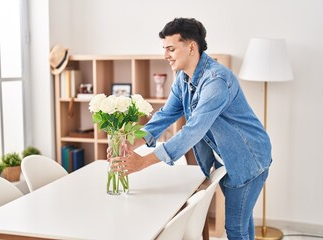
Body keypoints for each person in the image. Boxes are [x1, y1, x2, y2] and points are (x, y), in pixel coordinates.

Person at [109, 17, 271, 240]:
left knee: (236, 228)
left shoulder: (216, 81)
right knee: (243, 222)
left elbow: (193, 130)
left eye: (171, 48)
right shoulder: (183, 78)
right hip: (228, 157)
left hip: (247, 157)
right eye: (164, 49)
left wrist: (143, 161)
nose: (165, 55)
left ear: (191, 47)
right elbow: (165, 115)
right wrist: (130, 140)